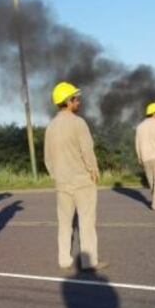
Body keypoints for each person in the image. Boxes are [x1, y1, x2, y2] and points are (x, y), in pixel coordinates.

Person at [44, 82, 106, 272]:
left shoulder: (51, 127)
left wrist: (56, 175)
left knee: (64, 224)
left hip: (62, 183)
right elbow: (87, 151)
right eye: (76, 98)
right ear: (68, 101)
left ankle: (64, 259)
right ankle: (89, 262)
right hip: (81, 181)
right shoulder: (78, 123)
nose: (79, 101)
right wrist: (93, 170)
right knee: (86, 222)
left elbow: (47, 158)